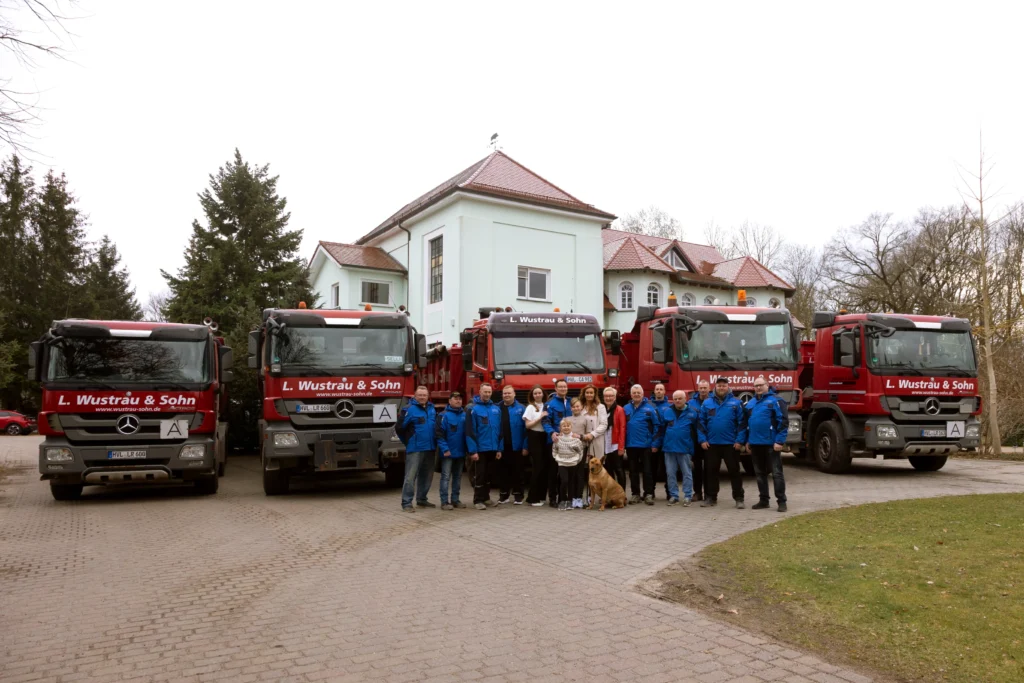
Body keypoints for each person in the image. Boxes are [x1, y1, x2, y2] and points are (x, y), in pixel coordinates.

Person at [698, 378, 747, 508]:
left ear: (728, 387)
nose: (721, 388)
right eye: (719, 385)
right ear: (715, 387)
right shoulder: (707, 403)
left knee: (734, 472)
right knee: (711, 472)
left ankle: (739, 498)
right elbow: (701, 423)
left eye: (724, 386)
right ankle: (711, 497)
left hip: (731, 444)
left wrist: (740, 441)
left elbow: (742, 423)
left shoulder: (736, 403)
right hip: (711, 444)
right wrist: (702, 440)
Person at [744, 377, 789, 512]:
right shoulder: (750, 403)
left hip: (771, 444)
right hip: (755, 444)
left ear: (767, 385)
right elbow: (748, 424)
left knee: (776, 473)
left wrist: (779, 441)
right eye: (756, 385)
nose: (758, 388)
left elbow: (783, 421)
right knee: (759, 474)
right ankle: (764, 500)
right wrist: (748, 440)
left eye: (761, 385)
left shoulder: (776, 400)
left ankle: (781, 501)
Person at [655, 390, 700, 506]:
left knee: (687, 473)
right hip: (669, 448)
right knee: (670, 473)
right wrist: (656, 444)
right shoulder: (667, 412)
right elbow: (661, 430)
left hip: (685, 448)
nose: (677, 401)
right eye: (675, 399)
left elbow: (698, 431)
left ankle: (688, 496)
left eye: (680, 398)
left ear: (685, 399)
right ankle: (674, 496)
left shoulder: (693, 413)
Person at [396, 385, 437, 512]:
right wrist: (408, 442)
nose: (422, 397)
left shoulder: (432, 408)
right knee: (410, 477)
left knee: (427, 475)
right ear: (415, 396)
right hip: (415, 448)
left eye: (424, 395)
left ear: (428, 396)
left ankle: (422, 499)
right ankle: (406, 502)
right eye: (420, 395)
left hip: (430, 448)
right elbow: (399, 428)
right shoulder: (409, 409)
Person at [466, 383, 503, 510]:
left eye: (489, 392)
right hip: (480, 449)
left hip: (493, 449)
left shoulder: (496, 409)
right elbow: (470, 432)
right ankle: (478, 500)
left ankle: (486, 498)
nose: (487, 394)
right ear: (480, 392)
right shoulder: (473, 409)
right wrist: (473, 451)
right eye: (485, 392)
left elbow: (500, 431)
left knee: (489, 475)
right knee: (480, 475)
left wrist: (499, 449)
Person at [624, 384, 661, 505]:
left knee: (647, 471)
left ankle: (648, 494)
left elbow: (657, 427)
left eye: (638, 393)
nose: (636, 395)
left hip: (646, 445)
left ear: (643, 394)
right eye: (634, 393)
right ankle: (635, 494)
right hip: (631, 445)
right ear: (631, 395)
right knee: (633, 472)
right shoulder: (626, 409)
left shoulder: (650, 409)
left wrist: (655, 444)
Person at [435, 391, 467, 511]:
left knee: (457, 477)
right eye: (455, 398)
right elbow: (439, 434)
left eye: (460, 399)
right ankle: (444, 502)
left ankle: (455, 500)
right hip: (448, 453)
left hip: (461, 453)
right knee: (446, 477)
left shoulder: (465, 415)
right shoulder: (443, 415)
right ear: (449, 401)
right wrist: (445, 449)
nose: (458, 401)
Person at [577, 385, 608, 506]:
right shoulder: (580, 406)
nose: (589, 395)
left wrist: (592, 434)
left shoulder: (601, 407)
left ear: (595, 394)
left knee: (595, 469)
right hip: (582, 441)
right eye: (587, 393)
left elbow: (604, 424)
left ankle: (592, 497)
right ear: (584, 394)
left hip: (596, 440)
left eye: (591, 393)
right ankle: (580, 497)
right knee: (582, 469)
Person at [543, 379, 573, 507]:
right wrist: (552, 433)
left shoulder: (572, 402)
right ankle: (552, 498)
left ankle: (563, 497)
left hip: (569, 442)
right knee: (553, 471)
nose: (563, 389)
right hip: (555, 442)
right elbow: (545, 421)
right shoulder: (550, 404)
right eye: (560, 387)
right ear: (555, 389)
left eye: (564, 387)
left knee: (565, 471)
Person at [498, 385, 528, 505]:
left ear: (514, 394)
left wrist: (525, 446)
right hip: (502, 446)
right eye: (505, 393)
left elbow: (526, 430)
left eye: (509, 393)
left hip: (517, 446)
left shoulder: (522, 409)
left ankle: (518, 496)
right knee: (503, 472)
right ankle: (503, 496)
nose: (507, 395)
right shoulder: (497, 408)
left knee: (518, 472)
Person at [523, 385, 549, 507]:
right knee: (537, 467)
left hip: (545, 437)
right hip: (534, 437)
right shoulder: (530, 407)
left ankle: (541, 496)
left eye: (539, 393)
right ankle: (532, 498)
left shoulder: (547, 406)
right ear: (532, 395)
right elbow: (528, 425)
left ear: (543, 394)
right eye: (535, 393)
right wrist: (540, 417)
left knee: (544, 468)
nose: (538, 395)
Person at [551, 418, 584, 511]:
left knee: (571, 483)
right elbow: (554, 450)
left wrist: (576, 460)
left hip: (573, 463)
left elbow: (580, 451)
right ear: (560, 428)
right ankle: (562, 500)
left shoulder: (576, 440)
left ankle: (569, 501)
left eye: (568, 426)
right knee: (564, 481)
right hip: (562, 463)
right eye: (564, 426)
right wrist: (557, 458)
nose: (566, 427)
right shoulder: (558, 439)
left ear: (571, 427)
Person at [687, 380, 711, 501]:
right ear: (698, 388)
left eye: (705, 388)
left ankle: (708, 493)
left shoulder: (713, 401)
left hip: (709, 440)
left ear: (709, 388)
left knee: (709, 468)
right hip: (695, 439)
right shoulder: (691, 403)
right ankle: (697, 492)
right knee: (696, 468)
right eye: (701, 388)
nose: (703, 390)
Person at [602, 387, 627, 490]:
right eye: (606, 396)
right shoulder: (601, 409)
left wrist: (621, 447)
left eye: (611, 396)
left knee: (619, 469)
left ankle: (621, 492)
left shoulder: (619, 409)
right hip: (605, 444)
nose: (608, 398)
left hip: (615, 444)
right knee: (608, 470)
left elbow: (622, 429)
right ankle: (612, 492)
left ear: (615, 397)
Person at [650, 382, 671, 499]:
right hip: (652, 442)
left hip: (665, 443)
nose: (658, 391)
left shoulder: (669, 407)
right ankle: (650, 492)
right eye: (657, 389)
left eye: (661, 389)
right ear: (654, 391)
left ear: (664, 392)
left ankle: (669, 492)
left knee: (667, 469)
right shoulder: (649, 406)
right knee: (651, 469)